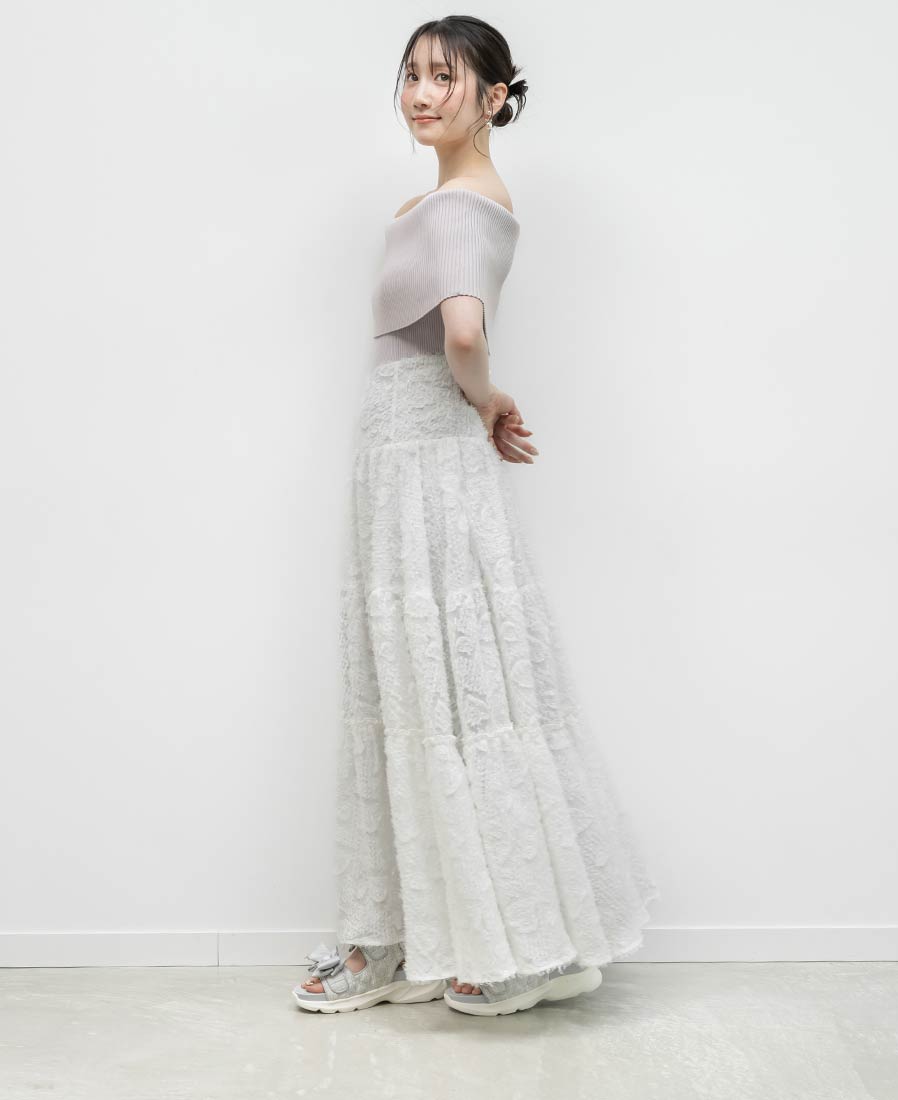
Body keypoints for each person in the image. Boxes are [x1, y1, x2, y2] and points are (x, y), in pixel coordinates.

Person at [292, 15, 659, 1017]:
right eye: (411, 74)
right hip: (404, 463)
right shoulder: (437, 200)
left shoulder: (459, 205)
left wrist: (486, 396)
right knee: (428, 689)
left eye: (444, 78)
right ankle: (426, 935)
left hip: (422, 463)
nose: (420, 93)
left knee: (445, 692)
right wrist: (479, 402)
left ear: (494, 96)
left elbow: (460, 332)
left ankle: (507, 945)